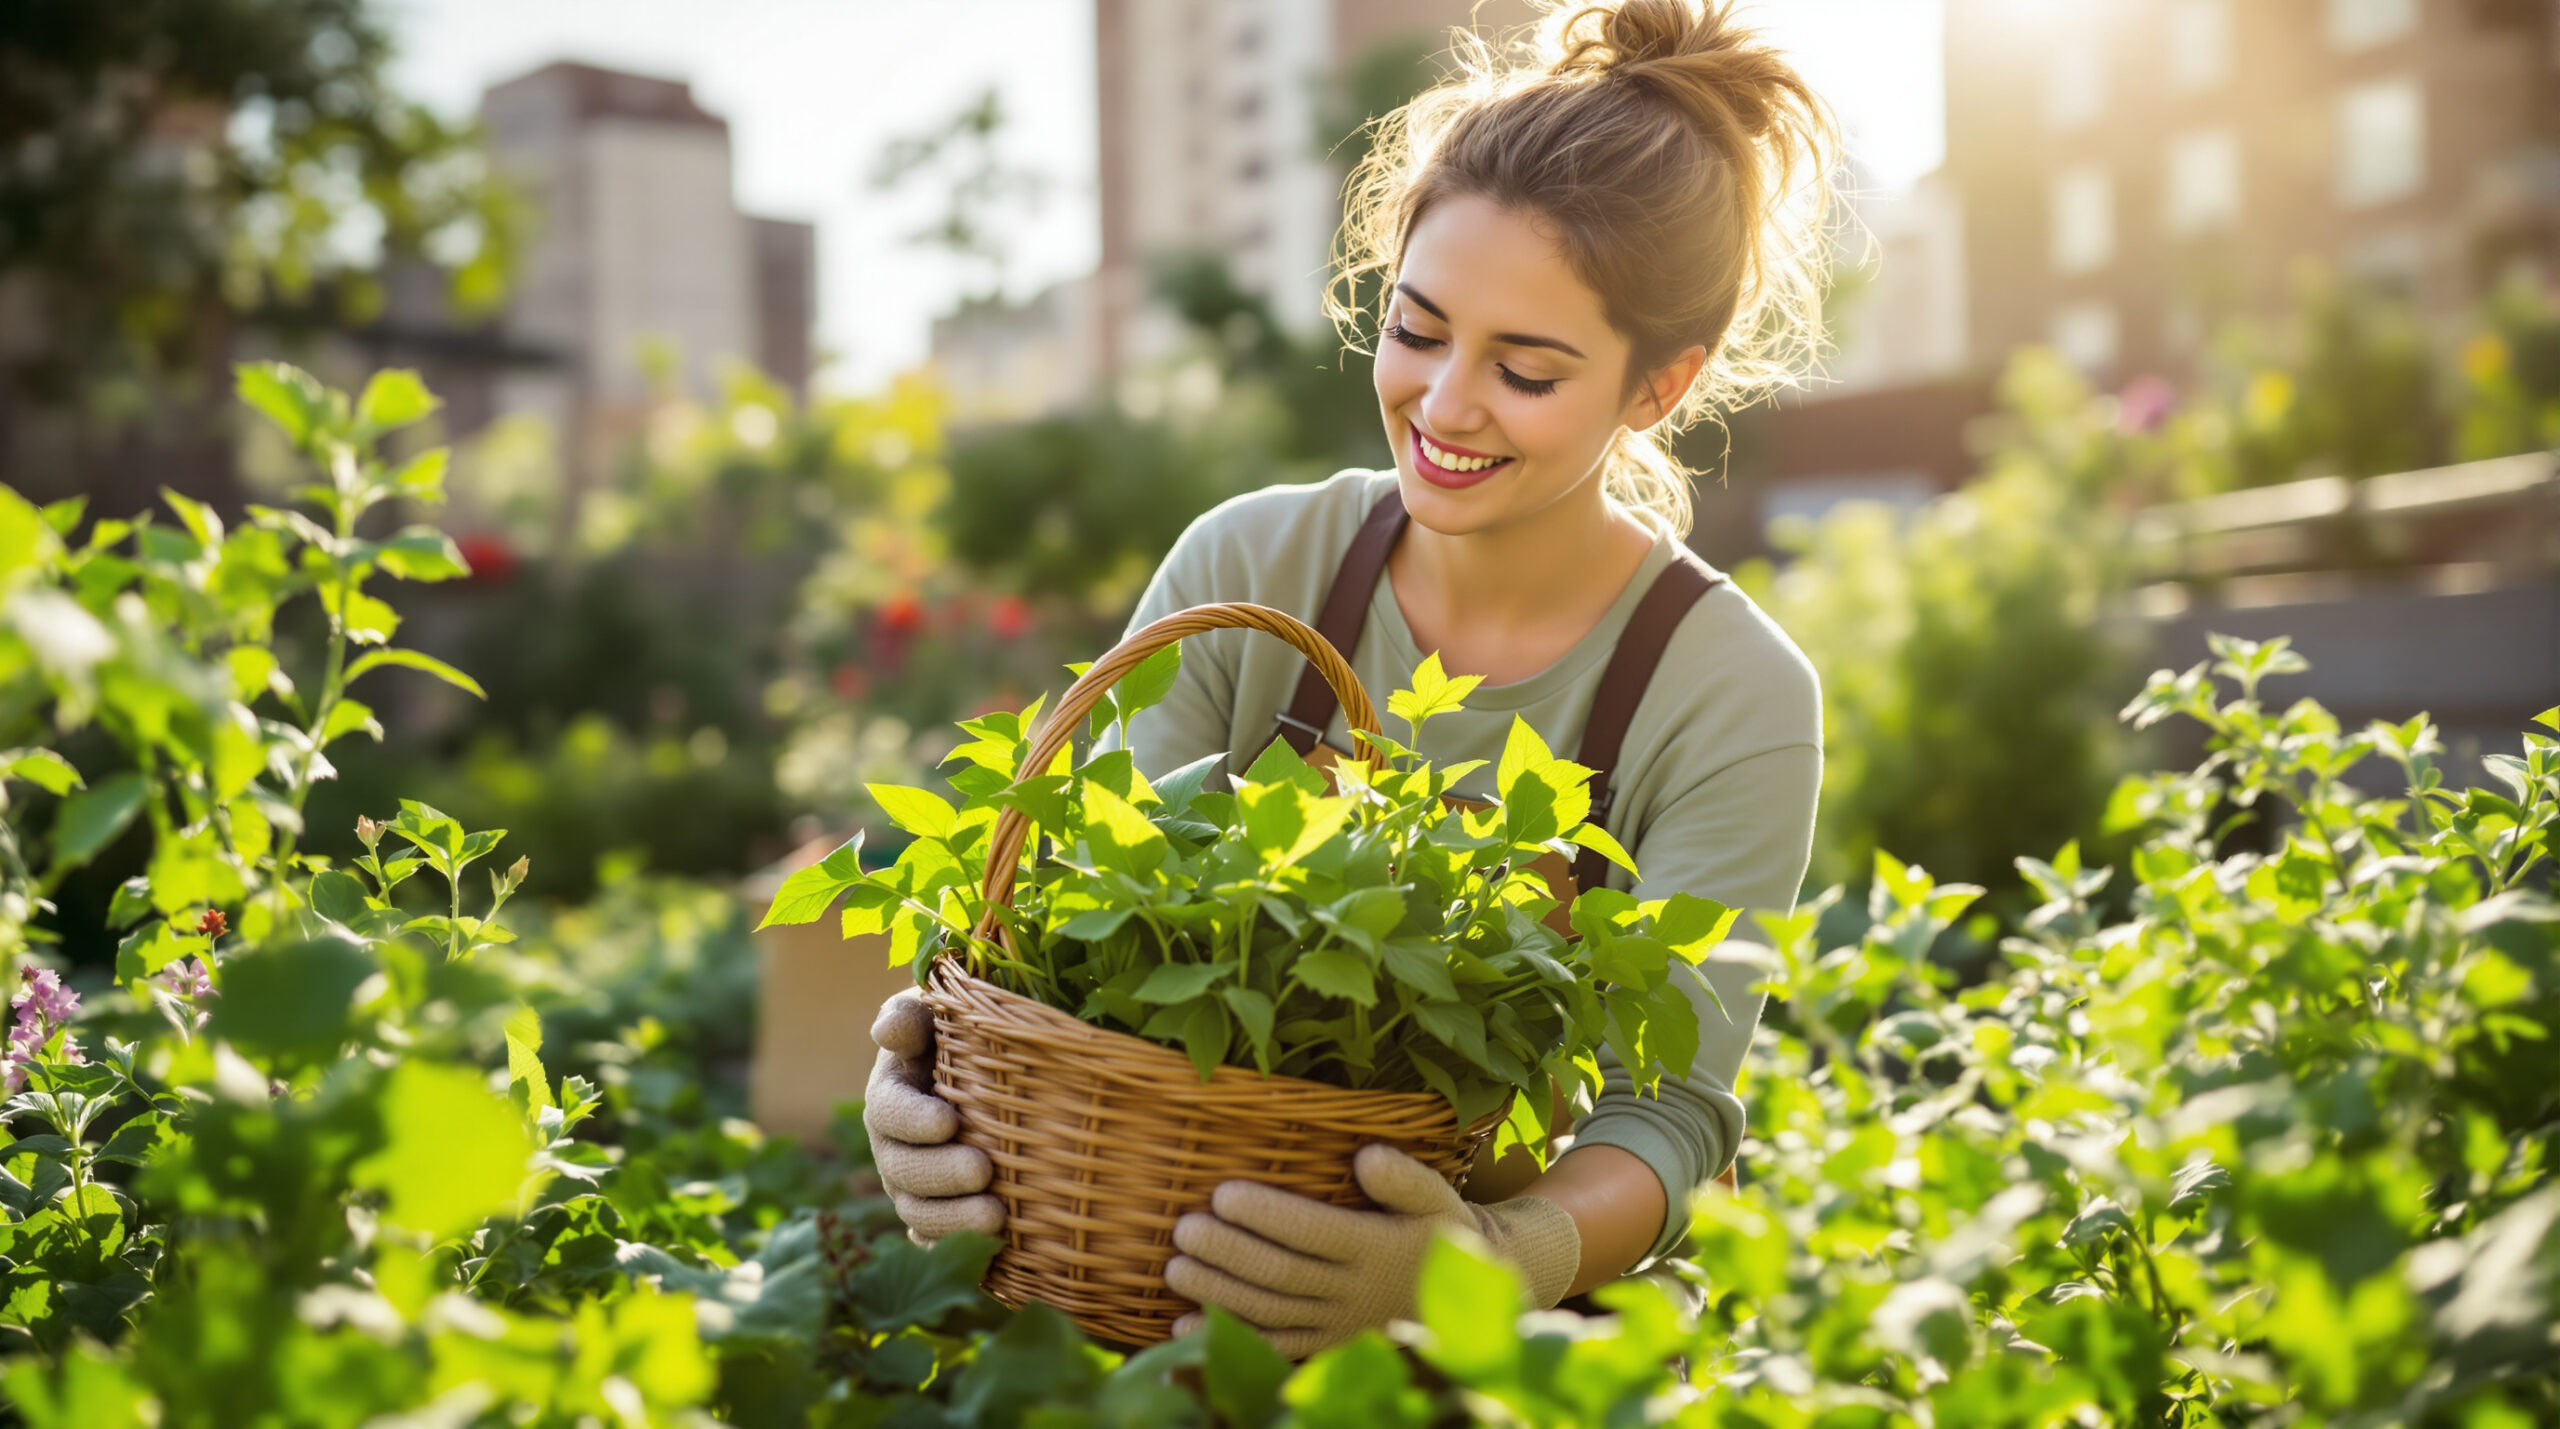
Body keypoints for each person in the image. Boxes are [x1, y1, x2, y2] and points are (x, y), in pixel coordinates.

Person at [863, 0, 1837, 1357]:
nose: (1445, 405)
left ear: (1656, 388)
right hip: (1142, 1264)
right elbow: (1070, 920)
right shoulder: (1252, 564)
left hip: (1519, 1349)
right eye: (1418, 328)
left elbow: (1669, 1110)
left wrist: (1494, 1259)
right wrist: (932, 1073)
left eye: (1526, 370)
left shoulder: (1729, 692)